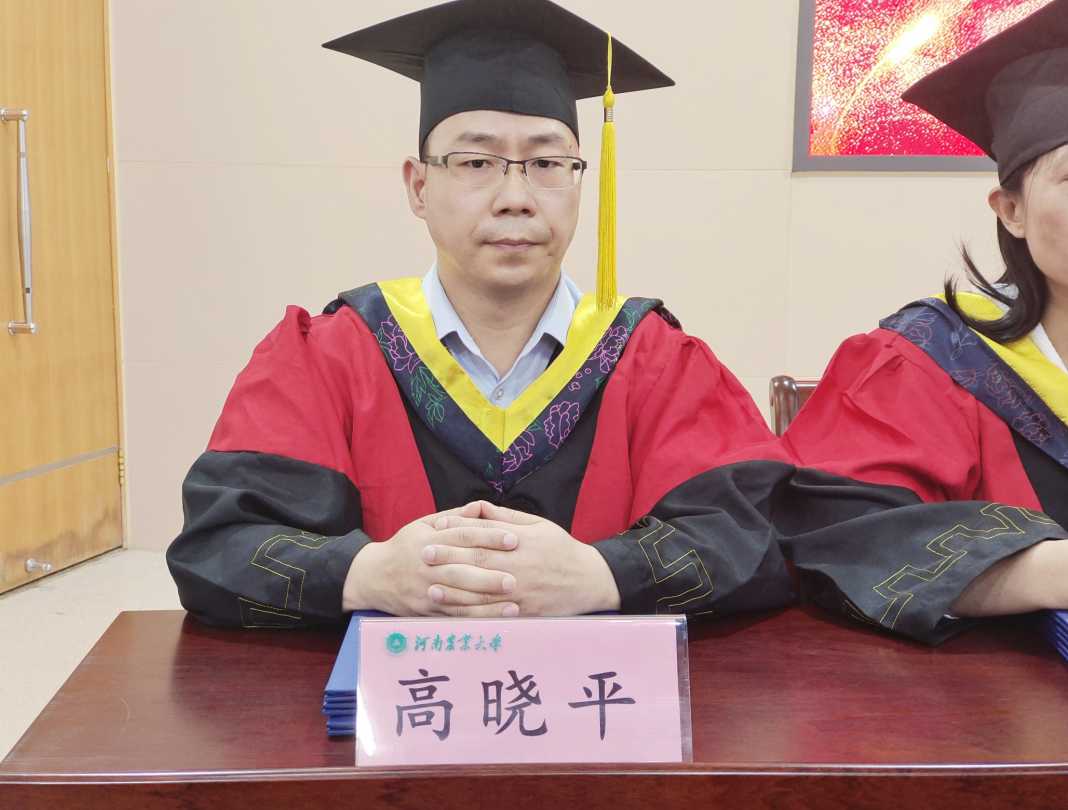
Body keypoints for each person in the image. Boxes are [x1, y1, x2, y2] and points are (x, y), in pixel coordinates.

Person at [167, 0, 1065, 645]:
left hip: (606, 736)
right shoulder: (326, 352)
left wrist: (601, 575)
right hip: (378, 742)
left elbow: (760, 541)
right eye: (475, 162)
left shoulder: (656, 358)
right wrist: (366, 574)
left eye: (546, 163)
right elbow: (218, 548)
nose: (514, 195)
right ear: (417, 184)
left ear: (579, 179)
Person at [783, 0, 1068, 620]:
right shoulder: (928, 363)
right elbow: (838, 540)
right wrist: (1048, 573)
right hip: (999, 680)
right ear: (1012, 211)